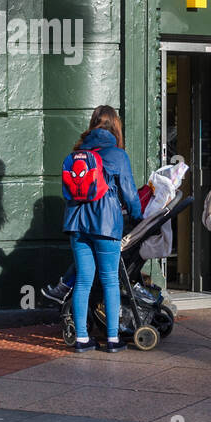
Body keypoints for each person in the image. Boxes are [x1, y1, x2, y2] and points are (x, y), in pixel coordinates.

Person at [61, 105, 144, 352]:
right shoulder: (117, 155)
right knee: (109, 280)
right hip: (106, 225)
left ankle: (82, 339)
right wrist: (138, 216)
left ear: (92, 123)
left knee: (84, 281)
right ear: (115, 125)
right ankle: (112, 338)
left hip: (76, 224)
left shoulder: (76, 153)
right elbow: (129, 193)